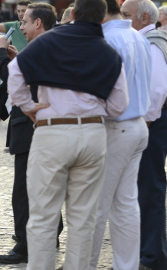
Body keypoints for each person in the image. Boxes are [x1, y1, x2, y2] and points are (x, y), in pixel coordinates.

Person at [8, 0, 129, 268]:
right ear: (102, 20)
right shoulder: (108, 51)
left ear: (73, 14)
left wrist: (28, 106)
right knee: (83, 218)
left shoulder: (48, 41)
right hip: (92, 133)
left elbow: (14, 70)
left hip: (53, 131)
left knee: (42, 215)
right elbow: (120, 105)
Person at [0, 3, 62, 265]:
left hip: (30, 125)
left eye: (25, 22)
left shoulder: (39, 46)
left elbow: (13, 79)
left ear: (38, 23)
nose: (20, 26)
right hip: (45, 124)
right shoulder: (54, 44)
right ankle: (51, 234)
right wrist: (16, 58)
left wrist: (0, 53)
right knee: (47, 184)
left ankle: (24, 245)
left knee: (23, 189)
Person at [89, 0, 152, 269]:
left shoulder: (109, 40)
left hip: (117, 126)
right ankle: (126, 265)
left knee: (96, 205)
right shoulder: (137, 37)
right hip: (136, 124)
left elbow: (101, 91)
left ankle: (84, 264)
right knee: (125, 204)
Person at [121, 1, 167, 269]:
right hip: (150, 121)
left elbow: (157, 90)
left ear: (144, 17)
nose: (123, 19)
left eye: (127, 15)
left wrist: (146, 122)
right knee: (142, 188)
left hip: (153, 122)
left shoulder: (150, 41)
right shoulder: (144, 39)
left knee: (149, 188)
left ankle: (153, 256)